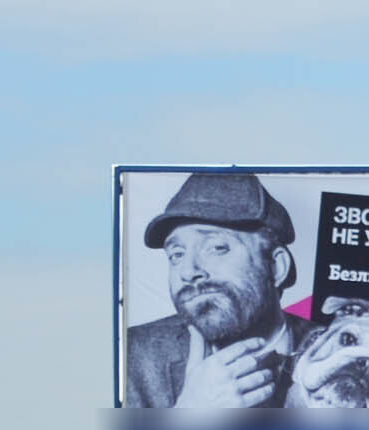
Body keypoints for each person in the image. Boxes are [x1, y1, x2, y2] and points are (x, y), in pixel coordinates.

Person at [124, 169, 300, 410]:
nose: (188, 271)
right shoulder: (131, 355)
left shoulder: (355, 350)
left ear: (276, 267)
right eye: (176, 255)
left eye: (216, 248)